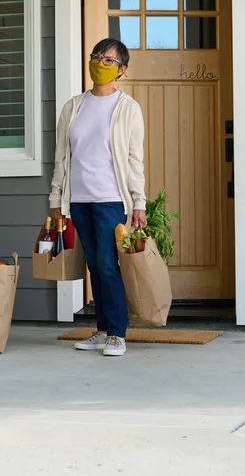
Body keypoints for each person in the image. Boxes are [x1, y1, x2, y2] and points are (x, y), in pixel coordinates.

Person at [48, 38, 146, 357]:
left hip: (110, 199)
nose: (99, 63)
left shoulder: (127, 108)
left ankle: (117, 333)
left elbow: (134, 160)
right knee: (93, 264)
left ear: (122, 70)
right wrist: (56, 199)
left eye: (108, 59)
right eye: (95, 56)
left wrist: (139, 202)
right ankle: (102, 330)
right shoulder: (73, 106)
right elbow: (61, 156)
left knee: (107, 265)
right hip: (78, 200)